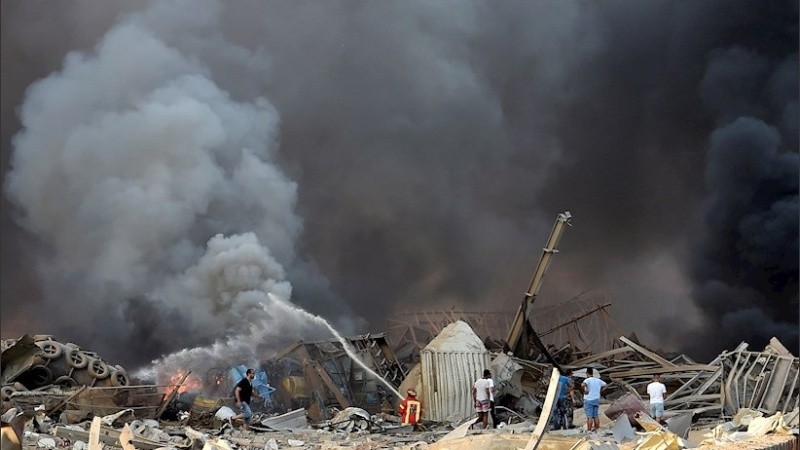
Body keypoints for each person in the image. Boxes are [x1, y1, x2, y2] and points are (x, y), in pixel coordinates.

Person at [581, 367, 607, 432]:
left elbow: (582, 385)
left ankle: (589, 430)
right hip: (596, 399)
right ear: (592, 373)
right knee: (595, 416)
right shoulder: (598, 380)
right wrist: (600, 391)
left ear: (587, 373)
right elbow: (606, 385)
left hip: (588, 399)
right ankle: (597, 429)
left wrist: (586, 390)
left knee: (589, 416)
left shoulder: (587, 380)